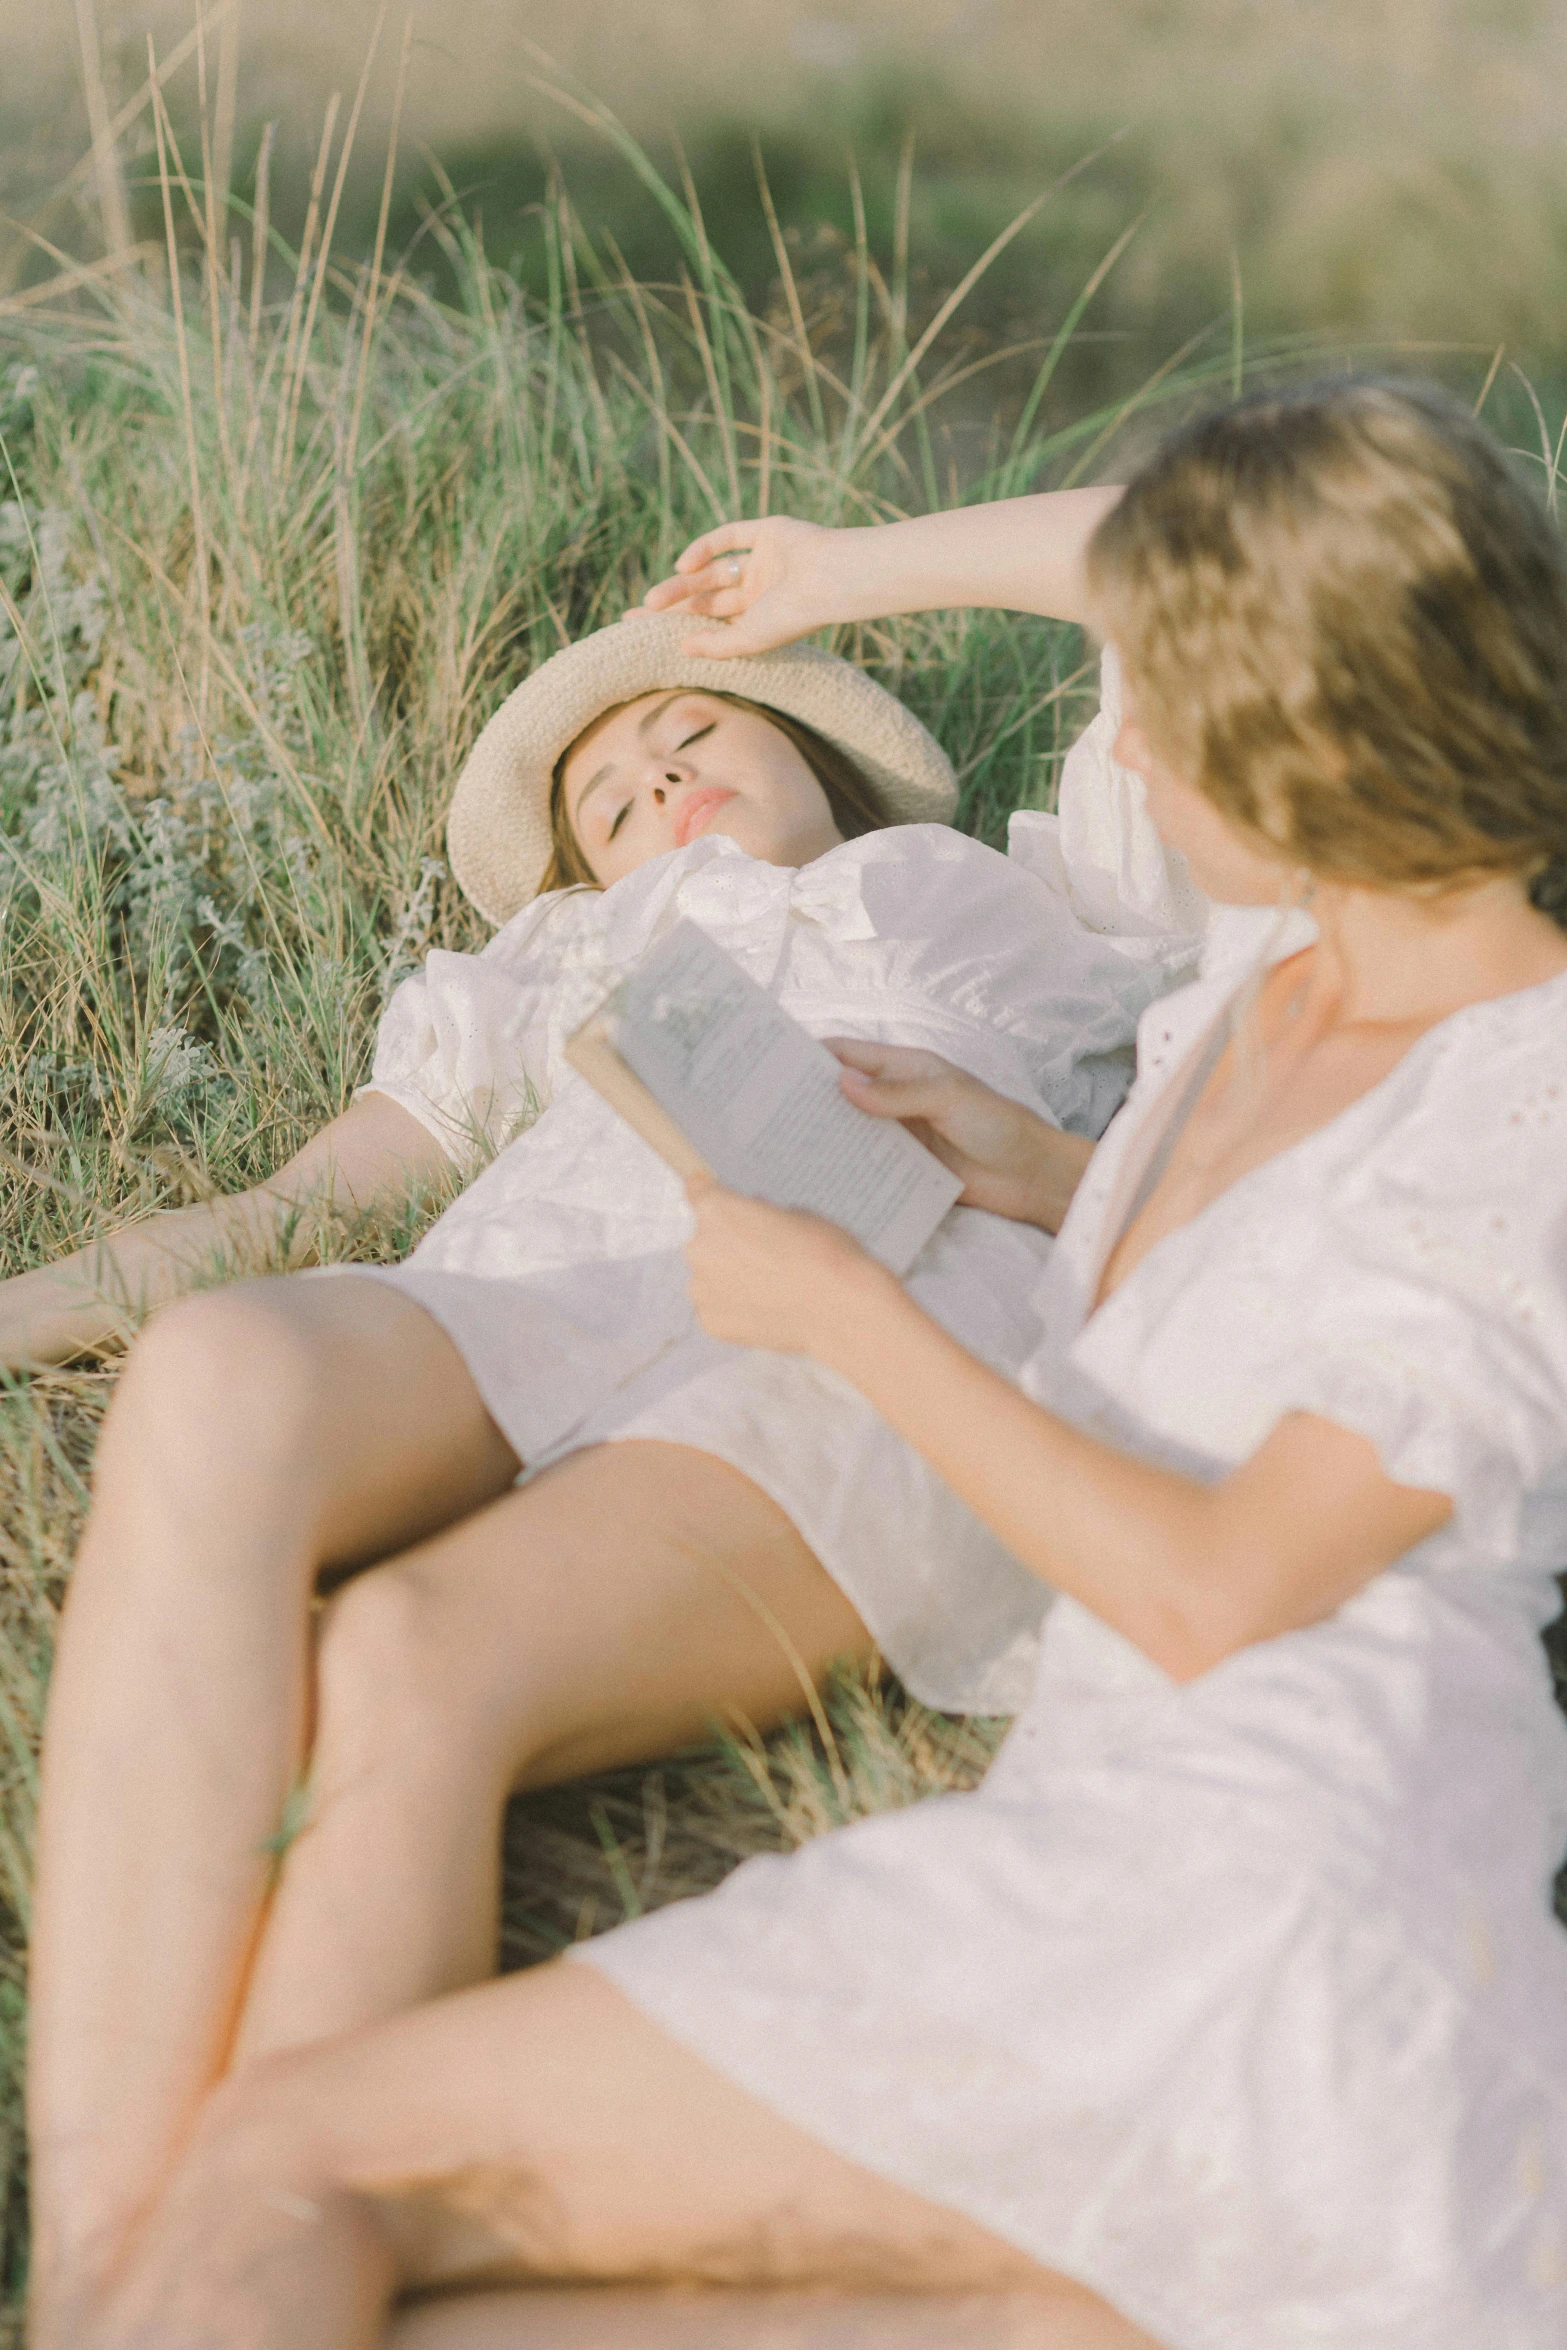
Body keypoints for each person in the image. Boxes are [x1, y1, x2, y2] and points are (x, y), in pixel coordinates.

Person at [72, 377, 1567, 2350]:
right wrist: (1039, 1163)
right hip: (1122, 1862)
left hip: (1270, 1913)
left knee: (286, 2170)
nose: (1104, 724)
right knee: (381, 2293)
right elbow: (1151, 558)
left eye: (1156, 707)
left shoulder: (1512, 1102)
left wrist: (857, 1314)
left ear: (1304, 738)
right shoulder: (1272, 977)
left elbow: (1218, 1585)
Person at [20, 548, 1199, 2348]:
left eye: (690, 722)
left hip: (881, 1323)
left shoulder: (1039, 894)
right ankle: (115, 2268)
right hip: (551, 1277)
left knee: (406, 1659)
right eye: (607, 794)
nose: (655, 778)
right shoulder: (552, 958)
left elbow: (1189, 560)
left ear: (817, 739)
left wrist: (863, 567)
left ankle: (192, 2299)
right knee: (216, 1371)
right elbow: (287, 1201)